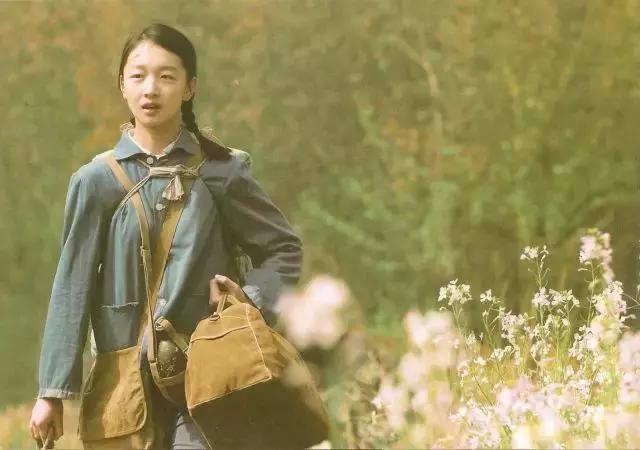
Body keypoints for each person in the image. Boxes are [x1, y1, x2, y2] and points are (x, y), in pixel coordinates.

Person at [28, 23, 303, 449]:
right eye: (138, 76)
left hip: (213, 372)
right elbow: (72, 288)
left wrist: (250, 301)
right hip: (124, 386)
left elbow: (283, 250)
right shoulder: (96, 181)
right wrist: (52, 392)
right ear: (122, 86)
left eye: (167, 76)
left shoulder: (223, 171)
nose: (151, 89)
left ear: (190, 88)